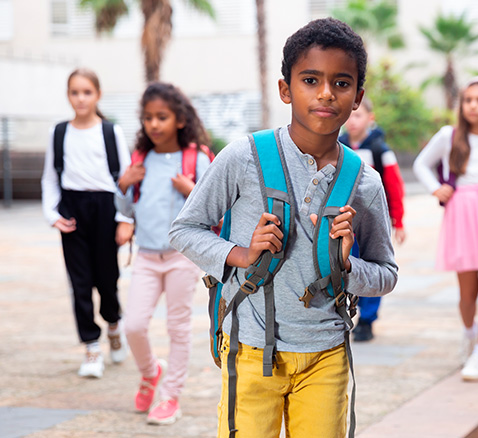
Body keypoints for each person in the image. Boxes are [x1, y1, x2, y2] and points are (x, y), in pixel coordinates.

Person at [169, 18, 398, 438]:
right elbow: (185, 229)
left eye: (341, 83)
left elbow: (386, 274)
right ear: (286, 89)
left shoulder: (364, 182)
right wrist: (240, 254)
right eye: (311, 79)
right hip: (252, 345)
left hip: (327, 354)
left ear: (357, 97)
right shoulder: (243, 158)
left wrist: (347, 266)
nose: (326, 93)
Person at [115, 82, 211, 424]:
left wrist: (192, 190)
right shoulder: (141, 159)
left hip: (181, 258)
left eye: (162, 117)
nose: (154, 124)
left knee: (178, 328)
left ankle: (171, 396)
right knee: (133, 326)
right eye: (148, 118)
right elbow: (126, 208)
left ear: (179, 120)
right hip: (146, 256)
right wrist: (124, 184)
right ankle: (150, 372)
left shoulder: (196, 158)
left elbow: (214, 207)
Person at [413, 76, 478, 381]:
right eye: (468, 99)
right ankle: (469, 332)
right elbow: (421, 164)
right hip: (462, 216)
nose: (473, 105)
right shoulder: (450, 136)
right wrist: (437, 189)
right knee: (467, 291)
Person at [41, 68, 132, 379]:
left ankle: (114, 323)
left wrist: (124, 219)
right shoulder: (59, 133)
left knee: (107, 280)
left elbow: (125, 179)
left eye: (87, 92)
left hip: (105, 209)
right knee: (79, 283)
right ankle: (92, 347)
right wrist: (53, 215)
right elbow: (50, 178)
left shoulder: (110, 132)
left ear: (98, 95)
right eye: (75, 92)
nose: (81, 98)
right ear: (69, 96)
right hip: (73, 211)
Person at [339, 96, 406, 342]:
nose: (353, 121)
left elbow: (394, 186)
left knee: (373, 265)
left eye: (358, 115)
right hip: (345, 223)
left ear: (370, 118)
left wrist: (398, 220)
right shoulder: (337, 146)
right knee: (347, 264)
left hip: (373, 222)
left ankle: (367, 318)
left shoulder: (380, 150)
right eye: (350, 115)